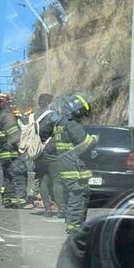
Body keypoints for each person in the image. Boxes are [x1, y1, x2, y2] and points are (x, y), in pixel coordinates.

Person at [55, 93, 97, 234]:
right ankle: (75, 227)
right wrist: (94, 139)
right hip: (74, 168)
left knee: (70, 197)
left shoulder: (60, 122)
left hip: (65, 167)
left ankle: (71, 223)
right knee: (78, 197)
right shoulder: (72, 124)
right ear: (77, 110)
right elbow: (85, 143)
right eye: (82, 114)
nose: (82, 118)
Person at [0, 93, 28, 208]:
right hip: (12, 153)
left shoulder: (0, 116)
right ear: (6, 102)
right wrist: (23, 148)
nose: (13, 104)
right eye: (11, 102)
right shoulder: (7, 116)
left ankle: (8, 199)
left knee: (8, 177)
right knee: (19, 175)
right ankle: (19, 201)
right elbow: (14, 135)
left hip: (4, 154)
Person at [33, 93, 64, 218]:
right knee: (57, 180)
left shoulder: (33, 116)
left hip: (38, 151)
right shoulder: (52, 115)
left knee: (43, 180)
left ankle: (47, 209)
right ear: (49, 103)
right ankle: (62, 209)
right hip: (51, 150)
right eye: (53, 102)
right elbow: (62, 128)